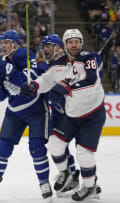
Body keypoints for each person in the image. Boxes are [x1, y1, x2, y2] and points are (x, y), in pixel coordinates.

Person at [21, 29, 105, 201]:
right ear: (65, 45)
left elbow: (91, 81)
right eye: (70, 41)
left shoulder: (89, 59)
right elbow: (46, 80)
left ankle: (90, 187)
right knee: (54, 144)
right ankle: (66, 173)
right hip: (72, 114)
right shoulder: (59, 64)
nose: (74, 45)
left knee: (83, 153)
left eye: (77, 41)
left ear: (81, 43)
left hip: (92, 114)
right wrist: (34, 87)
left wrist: (66, 87)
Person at [0, 30, 53, 202]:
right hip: (14, 112)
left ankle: (44, 183)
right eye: (2, 42)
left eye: (6, 42)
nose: (3, 45)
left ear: (15, 44)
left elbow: (29, 81)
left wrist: (6, 69)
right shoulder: (2, 62)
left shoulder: (25, 54)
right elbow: (1, 97)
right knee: (2, 148)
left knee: (37, 149)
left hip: (36, 111)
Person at [39, 34, 80, 196]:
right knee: (58, 146)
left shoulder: (67, 62)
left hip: (73, 112)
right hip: (57, 112)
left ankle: (89, 179)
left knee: (82, 148)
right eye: (44, 46)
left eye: (49, 45)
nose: (46, 49)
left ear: (58, 47)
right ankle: (69, 174)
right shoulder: (49, 65)